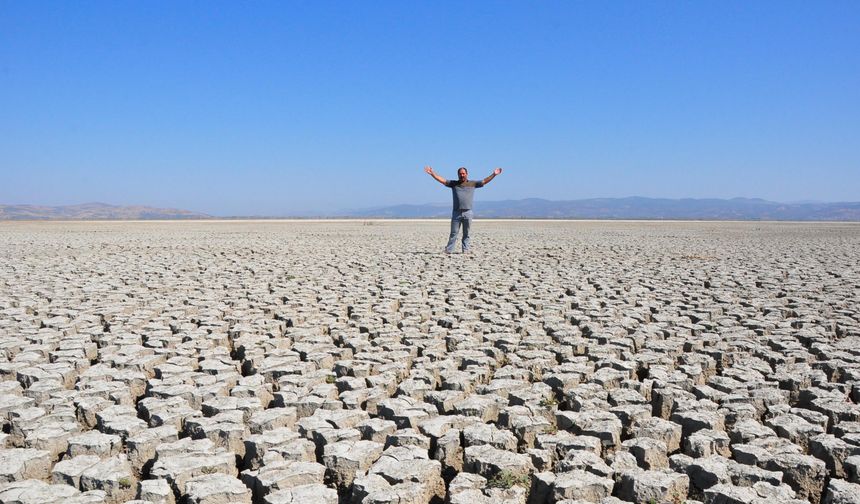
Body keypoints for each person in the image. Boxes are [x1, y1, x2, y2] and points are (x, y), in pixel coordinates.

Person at [424, 165, 503, 253]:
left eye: (463, 173)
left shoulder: (472, 184)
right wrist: (432, 174)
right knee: (453, 233)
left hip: (468, 212)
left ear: (467, 174)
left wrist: (494, 174)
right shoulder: (454, 184)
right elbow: (442, 180)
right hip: (456, 212)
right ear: (458, 175)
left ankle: (465, 250)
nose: (462, 175)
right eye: (460, 174)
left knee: (466, 234)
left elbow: (484, 181)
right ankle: (449, 250)